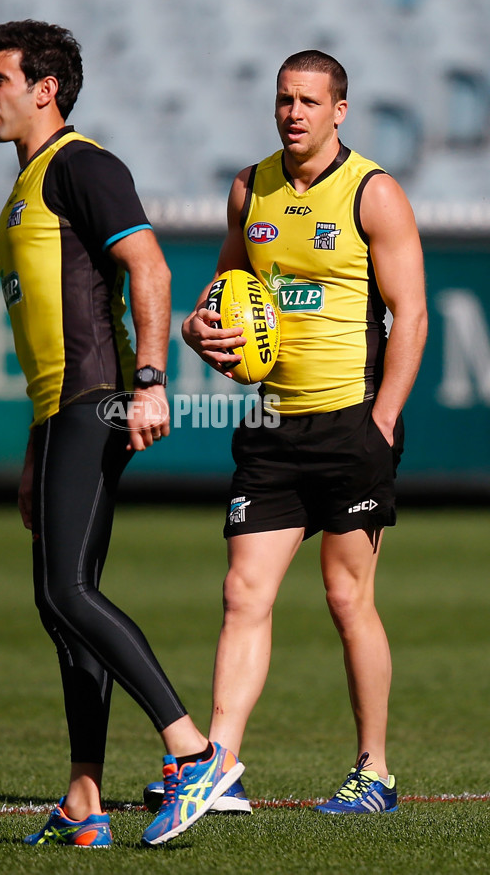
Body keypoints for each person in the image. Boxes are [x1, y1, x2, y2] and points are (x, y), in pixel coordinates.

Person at [0, 19, 243, 848]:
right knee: (60, 603)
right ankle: (85, 800)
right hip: (60, 409)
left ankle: (193, 752)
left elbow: (151, 268)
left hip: (98, 400)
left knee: (69, 591)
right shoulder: (28, 182)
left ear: (44, 88)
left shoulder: (83, 165)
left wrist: (153, 383)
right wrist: (33, 448)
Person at [149, 49, 427, 815]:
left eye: (308, 100)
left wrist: (383, 419)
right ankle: (218, 765)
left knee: (347, 599)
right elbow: (223, 290)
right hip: (272, 424)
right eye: (283, 99)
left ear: (340, 110)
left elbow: (413, 313)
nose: (293, 112)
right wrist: (198, 330)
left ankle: (374, 773)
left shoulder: (374, 192)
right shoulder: (250, 187)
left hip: (351, 424)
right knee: (243, 592)